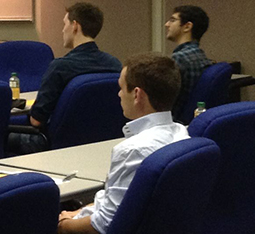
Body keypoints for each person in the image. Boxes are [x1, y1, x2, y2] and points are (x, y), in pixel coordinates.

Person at [57, 54, 189, 234]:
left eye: (121, 88)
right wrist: (79, 213)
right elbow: (119, 202)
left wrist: (64, 225)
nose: (118, 94)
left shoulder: (133, 150)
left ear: (137, 94)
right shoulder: (182, 134)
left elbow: (102, 226)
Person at [30, 2, 122, 128]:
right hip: (102, 140)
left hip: (60, 143)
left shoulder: (60, 67)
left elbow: (36, 121)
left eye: (65, 24)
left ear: (74, 26)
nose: (63, 30)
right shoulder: (115, 64)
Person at [164, 5, 212, 123]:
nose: (167, 24)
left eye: (172, 20)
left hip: (174, 123)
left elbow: (163, 103)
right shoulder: (201, 57)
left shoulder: (178, 59)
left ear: (187, 26)